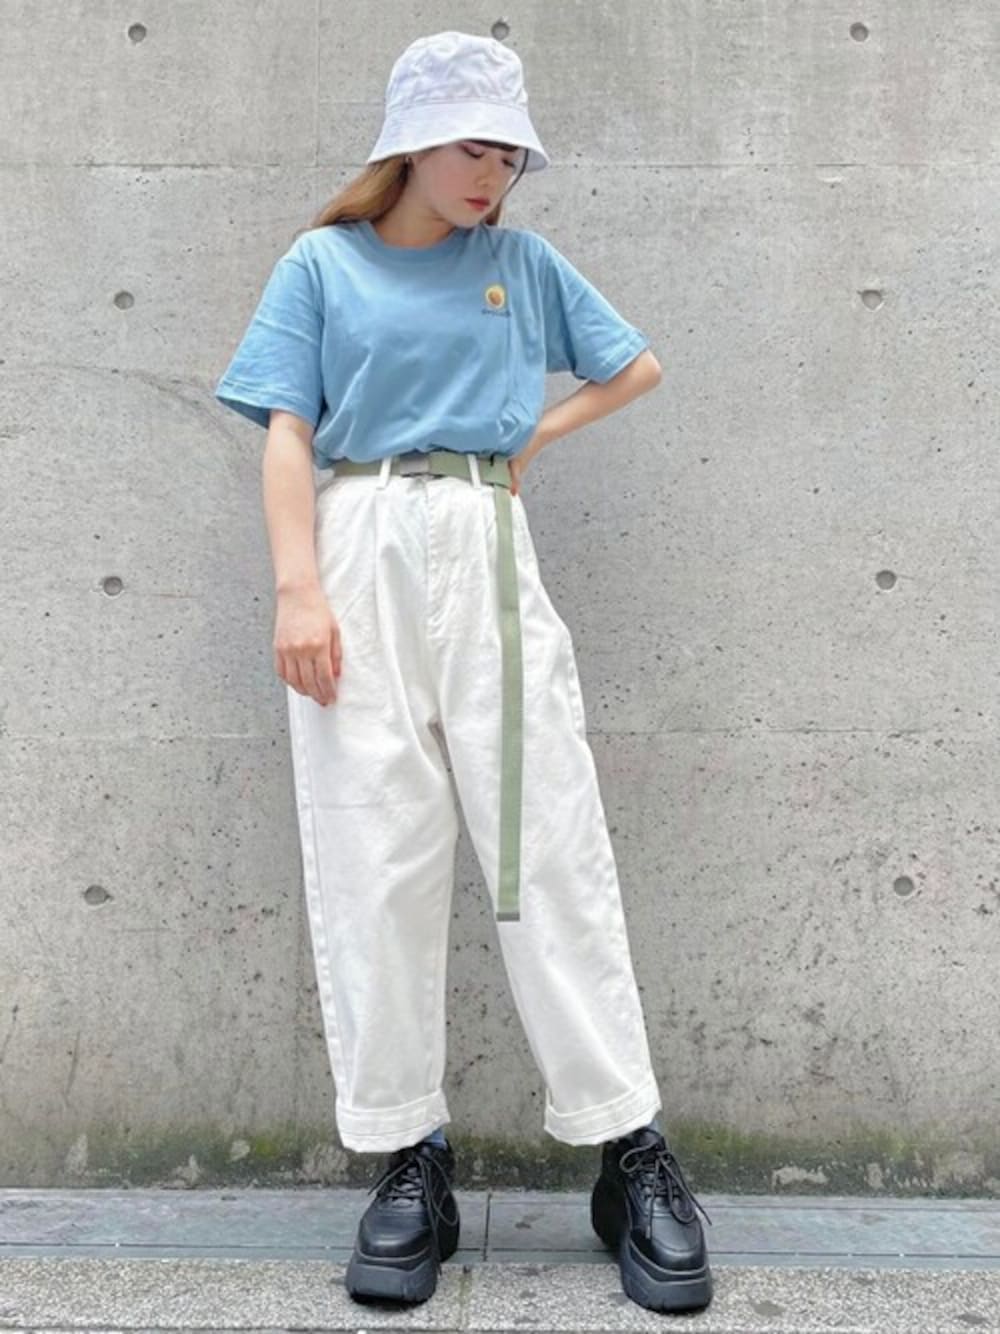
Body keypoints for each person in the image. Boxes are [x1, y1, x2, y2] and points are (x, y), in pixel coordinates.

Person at [213, 28, 712, 1317]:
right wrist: (298, 589)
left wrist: (533, 435)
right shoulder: (321, 264)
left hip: (485, 541)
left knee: (547, 841)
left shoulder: (521, 267)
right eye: (474, 150)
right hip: (357, 542)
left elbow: (635, 365)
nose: (494, 176)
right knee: (373, 847)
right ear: (412, 146)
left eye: (510, 156)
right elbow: (287, 431)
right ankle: (407, 1156)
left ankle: (628, 1148)